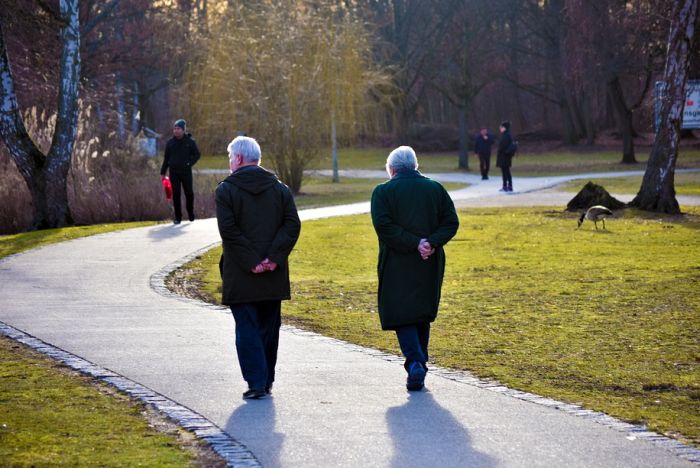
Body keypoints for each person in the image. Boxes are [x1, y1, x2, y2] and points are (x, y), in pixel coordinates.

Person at [215, 136, 301, 400]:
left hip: (241, 273)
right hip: (273, 275)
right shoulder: (280, 189)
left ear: (239, 158)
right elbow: (292, 225)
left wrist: (252, 262)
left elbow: (229, 231)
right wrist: (273, 258)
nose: (230, 162)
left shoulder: (226, 191)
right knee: (268, 327)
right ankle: (266, 379)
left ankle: (256, 381)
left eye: (231, 157)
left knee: (247, 328)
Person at [370, 146, 459, 391]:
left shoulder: (383, 192)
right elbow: (451, 222)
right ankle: (419, 362)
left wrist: (413, 242)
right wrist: (430, 242)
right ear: (415, 165)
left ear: (392, 169)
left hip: (397, 262)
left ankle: (415, 362)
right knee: (421, 311)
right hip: (428, 260)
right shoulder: (435, 189)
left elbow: (384, 226)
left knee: (402, 313)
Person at [161, 119, 201, 224]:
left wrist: (189, 163)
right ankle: (178, 217)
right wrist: (163, 172)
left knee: (189, 193)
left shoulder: (190, 142)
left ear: (183, 130)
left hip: (186, 172)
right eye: (175, 129)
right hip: (174, 172)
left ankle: (190, 213)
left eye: (178, 129)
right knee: (176, 194)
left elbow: (197, 155)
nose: (176, 131)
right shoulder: (170, 143)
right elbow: (166, 158)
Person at [496, 120, 516, 192]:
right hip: (503, 157)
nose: (500, 128)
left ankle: (509, 186)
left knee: (506, 171)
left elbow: (503, 146)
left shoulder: (507, 136)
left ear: (505, 128)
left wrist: (500, 149)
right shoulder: (505, 135)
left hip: (505, 156)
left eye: (501, 127)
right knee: (504, 171)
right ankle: (505, 186)